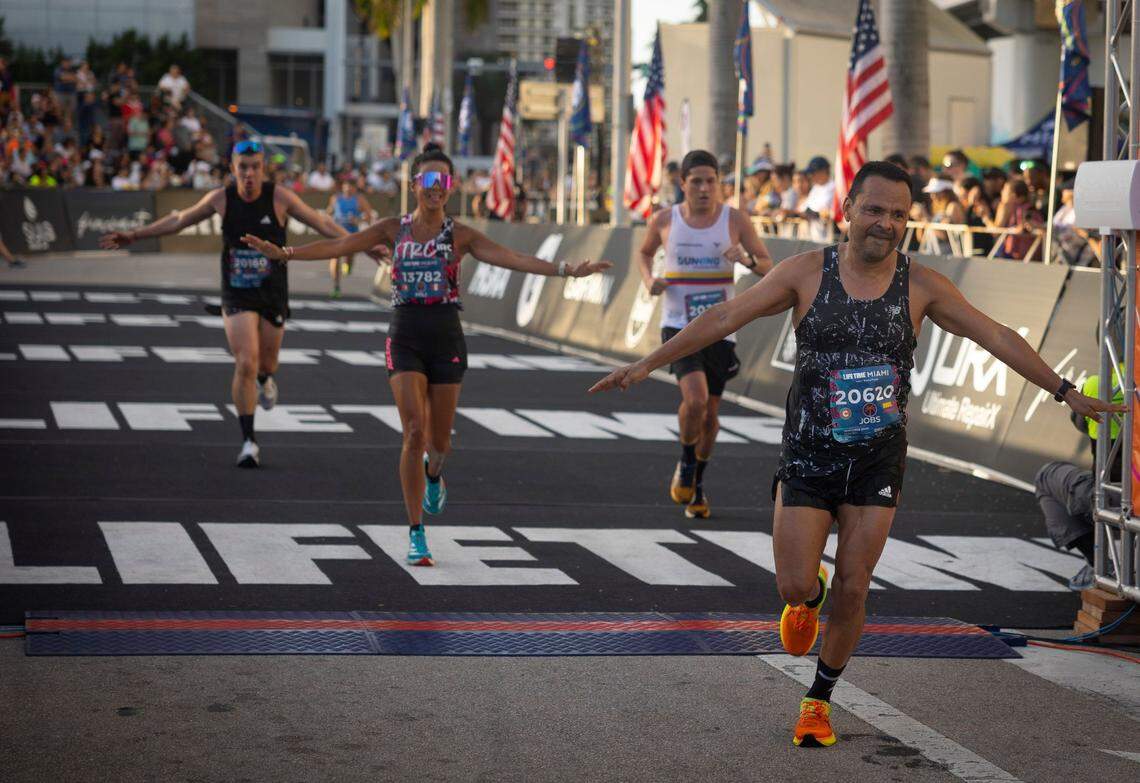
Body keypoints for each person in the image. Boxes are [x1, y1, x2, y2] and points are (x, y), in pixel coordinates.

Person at [589, 160, 1121, 748]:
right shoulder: (803, 274)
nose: (886, 224)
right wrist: (646, 364)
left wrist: (1064, 390)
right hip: (809, 456)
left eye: (899, 214)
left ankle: (818, 700)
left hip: (877, 460)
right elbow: (722, 315)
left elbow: (993, 335)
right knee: (795, 586)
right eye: (875, 209)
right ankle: (806, 596)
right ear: (847, 209)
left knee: (856, 584)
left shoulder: (921, 286)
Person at [240, 147, 611, 567]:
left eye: (444, 182)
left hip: (446, 338)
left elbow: (514, 259)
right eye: (429, 181)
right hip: (404, 337)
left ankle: (435, 474)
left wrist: (566, 271)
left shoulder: (461, 236)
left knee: (438, 443)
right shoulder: (390, 229)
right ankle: (416, 530)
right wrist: (286, 254)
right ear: (414, 186)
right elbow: (339, 244)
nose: (436, 189)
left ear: (450, 188)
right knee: (413, 431)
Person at [100, 139, 367, 467]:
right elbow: (179, 219)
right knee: (245, 361)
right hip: (237, 295)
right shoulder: (221, 198)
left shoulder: (280, 197)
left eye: (255, 167)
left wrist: (363, 243)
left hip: (272, 294)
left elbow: (323, 223)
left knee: (267, 364)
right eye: (243, 168)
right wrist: (136, 235)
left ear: (263, 168)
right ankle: (248, 441)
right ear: (233, 169)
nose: (250, 174)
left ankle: (265, 381)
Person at [638, 149, 773, 519]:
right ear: (682, 184)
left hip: (720, 326)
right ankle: (684, 460)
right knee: (694, 401)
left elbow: (767, 265)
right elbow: (644, 253)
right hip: (679, 325)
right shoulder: (665, 219)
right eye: (695, 181)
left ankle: (697, 483)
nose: (703, 188)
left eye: (710, 181)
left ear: (719, 184)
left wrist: (744, 259)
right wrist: (650, 280)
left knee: (711, 417)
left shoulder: (734, 219)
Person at [1036, 373, 1122, 591]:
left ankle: (1100, 564)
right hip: (1125, 495)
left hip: (1115, 496)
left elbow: (1080, 422)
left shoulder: (1100, 383)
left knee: (1046, 476)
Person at [326, 178, 376, 297]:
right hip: (336, 233)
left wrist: (358, 220)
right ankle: (336, 286)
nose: (348, 189)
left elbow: (369, 216)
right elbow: (329, 212)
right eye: (346, 186)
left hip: (352, 233)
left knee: (349, 257)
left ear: (354, 188)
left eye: (350, 187)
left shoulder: (359, 199)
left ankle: (348, 266)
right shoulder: (336, 198)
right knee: (335, 258)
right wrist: (326, 219)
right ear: (343, 187)